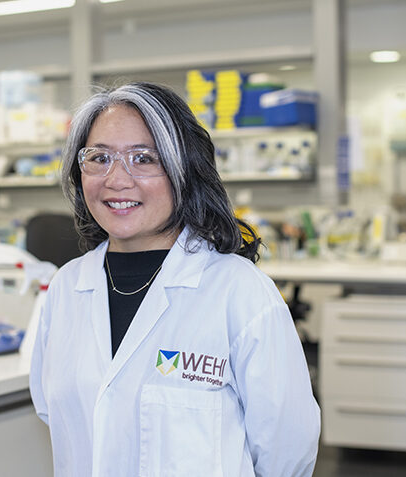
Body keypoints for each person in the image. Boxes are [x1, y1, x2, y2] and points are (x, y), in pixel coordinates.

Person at [29, 82, 320, 476]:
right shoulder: (65, 288)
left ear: (184, 169)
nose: (116, 179)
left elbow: (287, 450)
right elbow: (57, 413)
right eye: (99, 158)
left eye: (144, 158)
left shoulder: (240, 292)